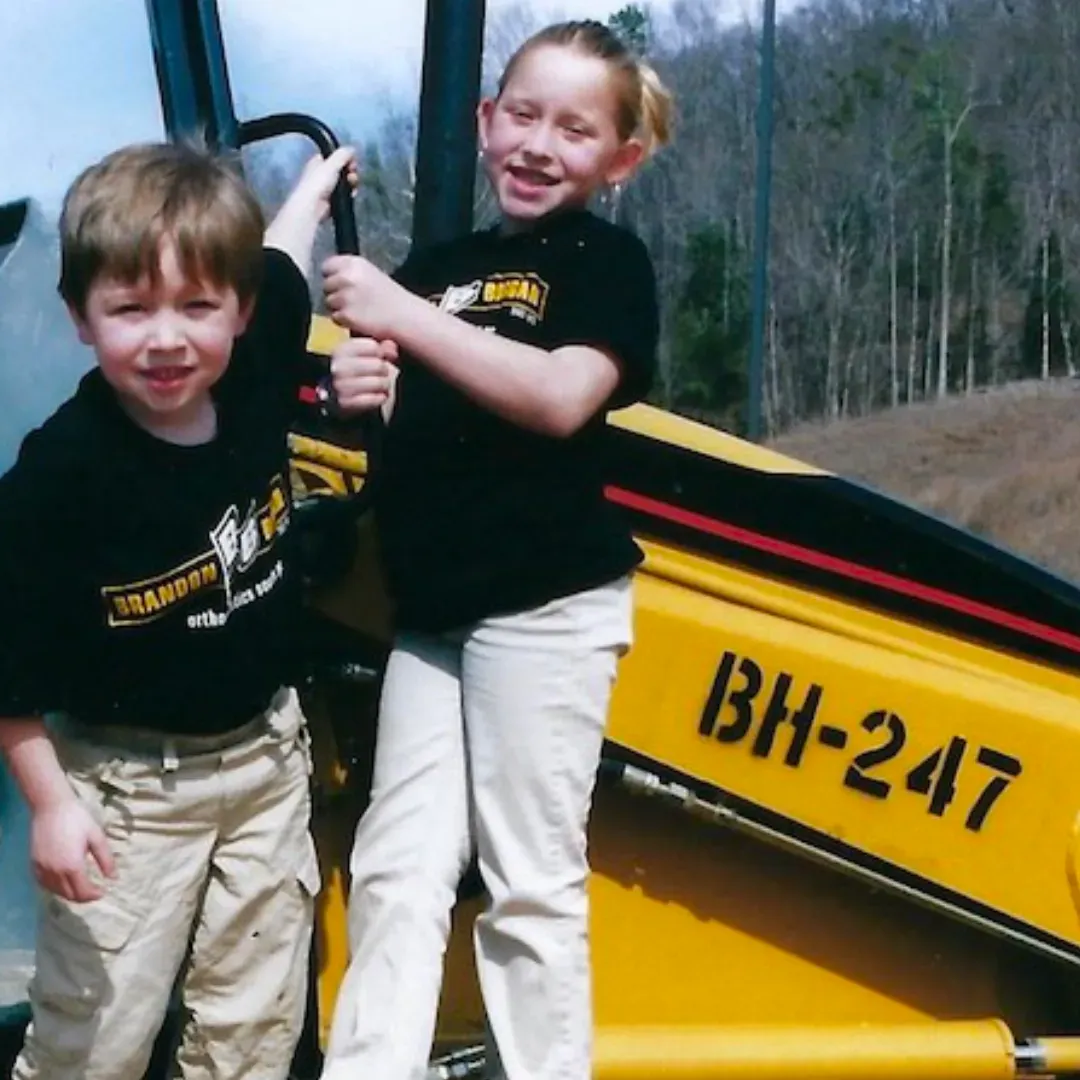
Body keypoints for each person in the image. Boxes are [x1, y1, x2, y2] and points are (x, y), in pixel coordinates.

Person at [318, 20, 674, 1080]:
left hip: (545, 607)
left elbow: (561, 399)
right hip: (432, 615)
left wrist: (400, 321)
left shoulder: (606, 263)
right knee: (396, 870)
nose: (538, 144)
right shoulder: (440, 268)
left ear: (620, 159)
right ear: (485, 124)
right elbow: (414, 427)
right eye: (522, 114)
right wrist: (359, 393)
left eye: (574, 128)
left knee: (528, 881)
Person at [0, 138, 355, 1080]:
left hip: (267, 766)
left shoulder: (255, 364)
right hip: (125, 792)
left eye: (199, 306)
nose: (167, 339)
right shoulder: (62, 474)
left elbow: (277, 254)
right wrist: (50, 807)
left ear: (239, 310)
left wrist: (315, 189)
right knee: (97, 1039)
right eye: (130, 310)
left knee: (252, 1030)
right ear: (81, 316)